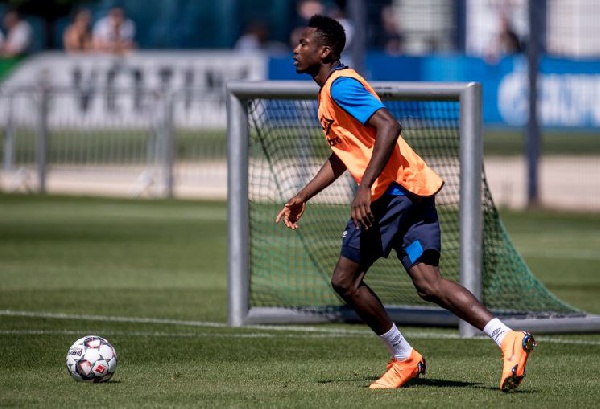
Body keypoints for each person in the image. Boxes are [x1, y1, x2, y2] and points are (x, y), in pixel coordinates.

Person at [276, 14, 537, 391]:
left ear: (326, 50)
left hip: (391, 194)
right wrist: (302, 195)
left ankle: (404, 358)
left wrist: (364, 189)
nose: (296, 49)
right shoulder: (330, 93)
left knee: (345, 281)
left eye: (304, 43)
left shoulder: (339, 86)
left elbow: (388, 126)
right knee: (429, 284)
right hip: (412, 189)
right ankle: (506, 337)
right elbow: (343, 155)